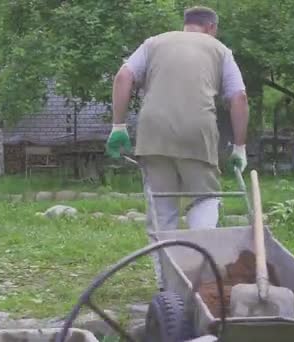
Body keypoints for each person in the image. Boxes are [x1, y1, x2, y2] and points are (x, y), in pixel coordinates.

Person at [105, 6, 250, 289]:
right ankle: (201, 281)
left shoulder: (154, 43)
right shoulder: (220, 50)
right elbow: (239, 98)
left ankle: (167, 286)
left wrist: (118, 126)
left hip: (153, 133)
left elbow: (123, 77)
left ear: (185, 25)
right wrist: (240, 148)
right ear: (212, 28)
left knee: (163, 210)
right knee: (204, 202)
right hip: (198, 133)